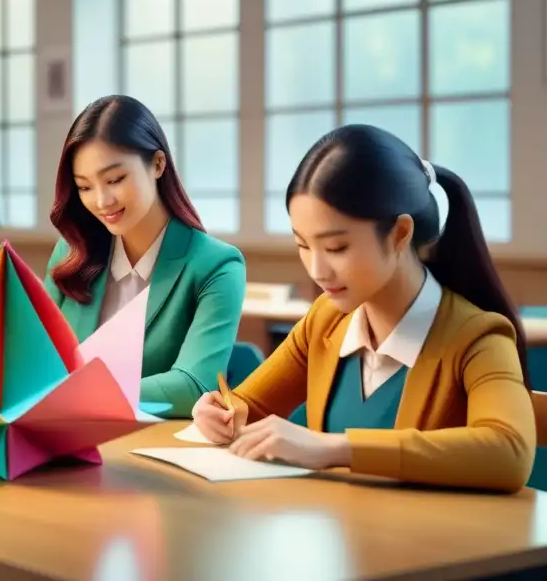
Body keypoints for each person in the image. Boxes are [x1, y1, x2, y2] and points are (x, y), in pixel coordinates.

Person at [192, 124, 535, 493]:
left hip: (434, 545)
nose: (317, 270)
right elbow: (247, 404)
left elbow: (509, 452)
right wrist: (222, 413)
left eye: (337, 248)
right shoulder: (325, 321)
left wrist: (335, 448)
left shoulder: (477, 337)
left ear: (400, 234)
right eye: (303, 246)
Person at [43, 95, 246, 419]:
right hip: (63, 443)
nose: (102, 201)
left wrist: (80, 395)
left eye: (115, 180)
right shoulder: (70, 254)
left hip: (149, 453)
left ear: (157, 164)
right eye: (84, 187)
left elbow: (194, 387)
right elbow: (38, 363)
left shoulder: (217, 266)